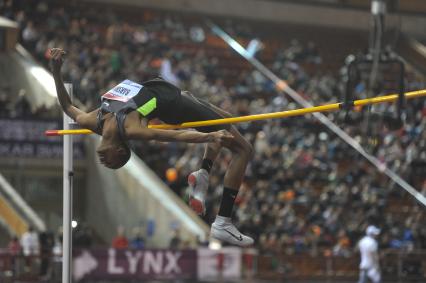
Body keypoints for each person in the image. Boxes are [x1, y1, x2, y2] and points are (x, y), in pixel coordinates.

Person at [50, 48, 254, 247]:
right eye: (111, 163)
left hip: (170, 92)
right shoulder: (131, 129)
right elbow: (176, 136)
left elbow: (67, 106)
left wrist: (56, 71)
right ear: (120, 150)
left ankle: (203, 174)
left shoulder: (94, 121)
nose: (104, 162)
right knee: (243, 149)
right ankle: (223, 221)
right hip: (177, 105)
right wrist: (210, 136)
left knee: (226, 117)